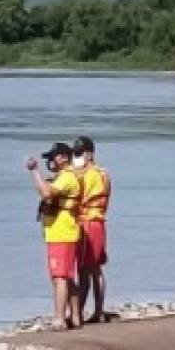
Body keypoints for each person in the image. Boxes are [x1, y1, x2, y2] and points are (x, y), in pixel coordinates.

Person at [25, 142, 83, 330]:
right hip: (62, 232)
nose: (51, 160)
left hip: (62, 232)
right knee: (66, 277)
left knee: (59, 278)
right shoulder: (65, 177)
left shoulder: (66, 177)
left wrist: (34, 171)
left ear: (64, 157)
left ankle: (59, 318)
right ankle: (75, 316)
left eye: (54, 156)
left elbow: (46, 192)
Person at [72, 135, 111, 323]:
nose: (77, 157)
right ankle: (88, 310)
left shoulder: (94, 173)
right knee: (87, 269)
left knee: (91, 268)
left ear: (89, 154)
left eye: (80, 153)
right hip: (90, 222)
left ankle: (93, 311)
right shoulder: (100, 173)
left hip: (91, 222)